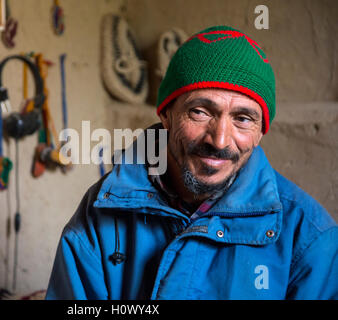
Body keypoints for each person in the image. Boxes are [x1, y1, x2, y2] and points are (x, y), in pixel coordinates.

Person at [45, 25, 337, 299]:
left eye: (243, 119)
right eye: (200, 112)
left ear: (261, 131)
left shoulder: (310, 238)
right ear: (166, 114)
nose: (219, 140)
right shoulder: (101, 211)